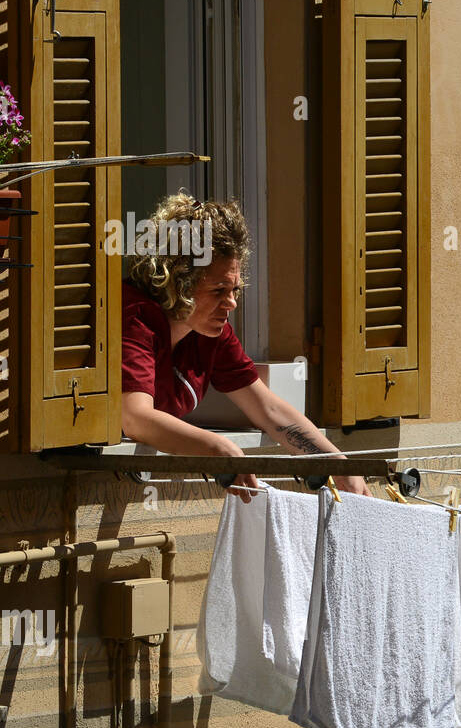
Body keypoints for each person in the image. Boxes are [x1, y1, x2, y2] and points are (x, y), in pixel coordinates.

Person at [120, 192, 372, 503]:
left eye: (235, 289)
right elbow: (134, 417)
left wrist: (336, 463)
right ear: (177, 281)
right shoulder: (134, 320)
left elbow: (267, 409)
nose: (232, 303)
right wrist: (217, 448)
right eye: (218, 290)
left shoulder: (211, 332)